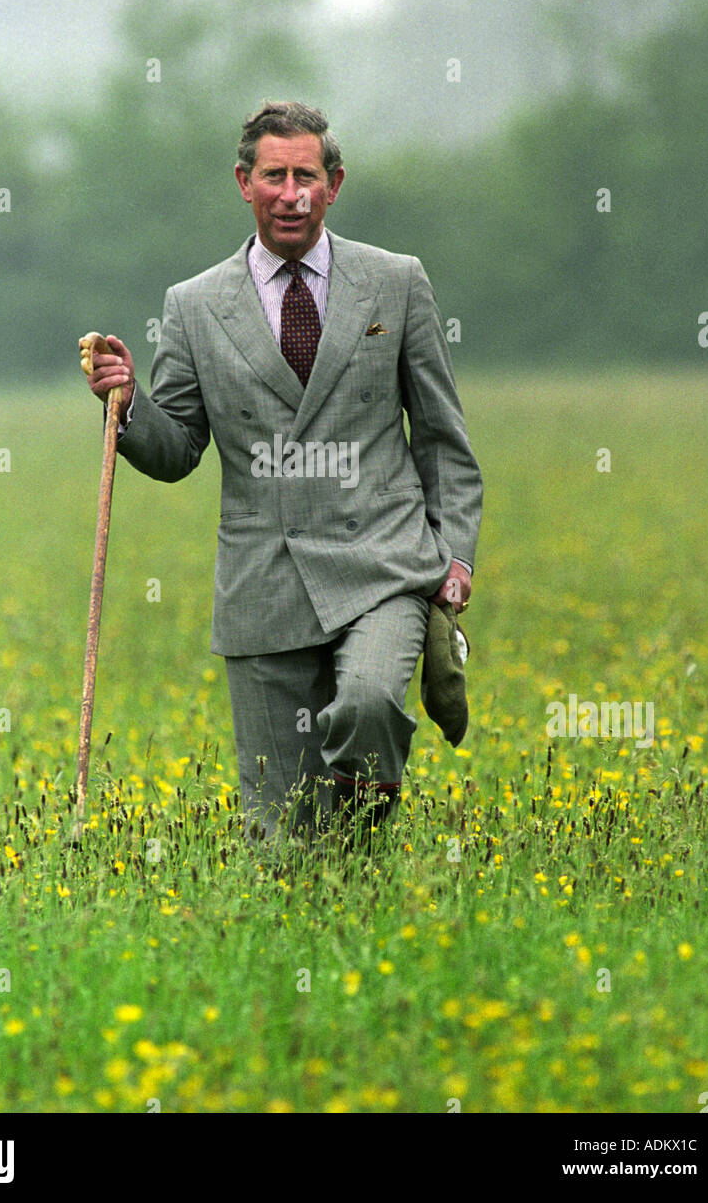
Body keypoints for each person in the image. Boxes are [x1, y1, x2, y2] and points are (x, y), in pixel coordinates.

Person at [83, 101, 482, 849]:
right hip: (264, 582)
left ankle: (361, 850)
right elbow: (176, 451)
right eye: (275, 175)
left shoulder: (396, 283)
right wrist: (129, 406)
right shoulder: (194, 307)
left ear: (334, 184)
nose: (291, 192)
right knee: (282, 835)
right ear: (244, 182)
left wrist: (454, 556)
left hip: (385, 565)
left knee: (366, 707)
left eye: (307, 175)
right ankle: (326, 912)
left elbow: (442, 440)